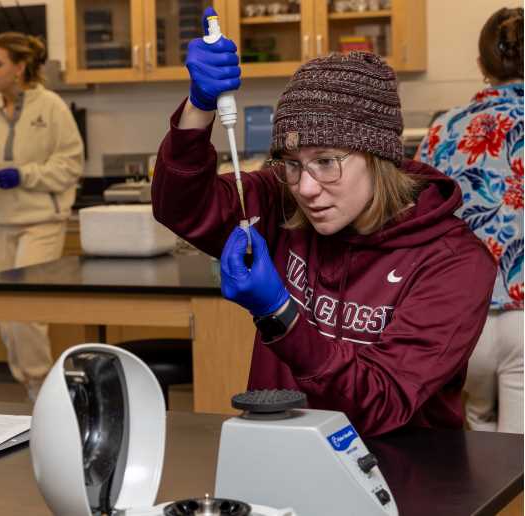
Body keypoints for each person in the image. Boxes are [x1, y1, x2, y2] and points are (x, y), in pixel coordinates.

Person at [151, 8, 496, 437]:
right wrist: (199, 108)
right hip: (281, 460)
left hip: (397, 482)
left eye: (327, 162)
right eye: (291, 164)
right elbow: (180, 207)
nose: (306, 188)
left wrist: (280, 314)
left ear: (379, 157)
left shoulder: (454, 264)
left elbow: (382, 403)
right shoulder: (283, 204)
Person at [417, 7, 523, 434]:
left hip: (463, 317)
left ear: (481, 66)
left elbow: (417, 219)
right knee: (519, 463)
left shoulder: (442, 129)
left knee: (477, 451)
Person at [0, 32, 84, 400]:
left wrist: (26, 174)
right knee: (5, 316)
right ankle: (38, 390)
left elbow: (70, 164)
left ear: (19, 67)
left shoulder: (51, 107)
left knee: (24, 313)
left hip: (41, 222)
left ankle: (45, 392)